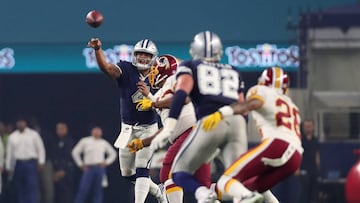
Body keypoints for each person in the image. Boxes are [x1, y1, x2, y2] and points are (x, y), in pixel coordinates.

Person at [148, 31, 248, 203]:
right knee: (235, 176)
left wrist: (170, 127)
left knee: (175, 172)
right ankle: (247, 195)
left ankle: (204, 195)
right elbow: (243, 108)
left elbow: (182, 96)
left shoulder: (190, 67)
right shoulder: (233, 70)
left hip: (208, 124)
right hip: (236, 122)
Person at [202, 66, 304, 203]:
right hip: (296, 157)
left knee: (225, 181)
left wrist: (223, 113)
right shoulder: (292, 105)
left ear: (263, 82)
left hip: (277, 144)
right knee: (249, 189)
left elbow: (252, 104)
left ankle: (241, 196)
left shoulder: (262, 91)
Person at [87, 37, 167, 203]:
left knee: (142, 167)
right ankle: (159, 192)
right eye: (139, 54)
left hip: (148, 128)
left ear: (153, 57)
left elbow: (165, 105)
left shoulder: (159, 75)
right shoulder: (126, 69)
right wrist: (98, 50)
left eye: (146, 55)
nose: (142, 58)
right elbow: (107, 68)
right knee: (127, 173)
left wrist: (150, 96)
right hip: (127, 128)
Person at [127, 54, 212, 203]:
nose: (152, 74)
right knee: (204, 187)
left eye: (155, 71)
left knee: (168, 172)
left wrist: (153, 103)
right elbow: (167, 127)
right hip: (195, 134)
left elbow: (184, 98)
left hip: (191, 132)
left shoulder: (176, 80)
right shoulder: (160, 94)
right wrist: (143, 142)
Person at [72, 126, 117, 203]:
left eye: (98, 131)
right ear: (92, 132)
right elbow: (75, 152)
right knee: (83, 189)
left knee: (98, 191)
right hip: (88, 168)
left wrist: (107, 162)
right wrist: (80, 164)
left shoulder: (103, 143)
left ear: (101, 133)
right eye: (95, 131)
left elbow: (113, 153)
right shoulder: (85, 141)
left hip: (99, 168)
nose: (96, 132)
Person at [5, 117, 46, 203]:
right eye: (19, 122)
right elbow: (10, 153)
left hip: (31, 163)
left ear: (25, 123)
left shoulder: (33, 134)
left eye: (22, 122)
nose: (20, 124)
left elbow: (40, 149)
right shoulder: (12, 136)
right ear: (16, 124)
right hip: (19, 163)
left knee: (32, 186)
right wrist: (8, 166)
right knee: (21, 187)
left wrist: (41, 162)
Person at [48, 122, 75, 203]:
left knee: (66, 193)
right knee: (58, 194)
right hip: (57, 170)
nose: (59, 131)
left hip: (66, 171)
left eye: (62, 129)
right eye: (58, 129)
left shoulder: (69, 141)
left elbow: (67, 157)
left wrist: (62, 170)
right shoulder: (55, 141)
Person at [299, 118, 320, 203]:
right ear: (303, 128)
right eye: (306, 126)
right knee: (304, 191)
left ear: (313, 127)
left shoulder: (315, 140)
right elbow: (298, 154)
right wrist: (297, 168)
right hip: (303, 168)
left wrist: (318, 166)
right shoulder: (300, 139)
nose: (308, 128)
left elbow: (317, 154)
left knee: (313, 192)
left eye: (310, 126)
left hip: (313, 169)